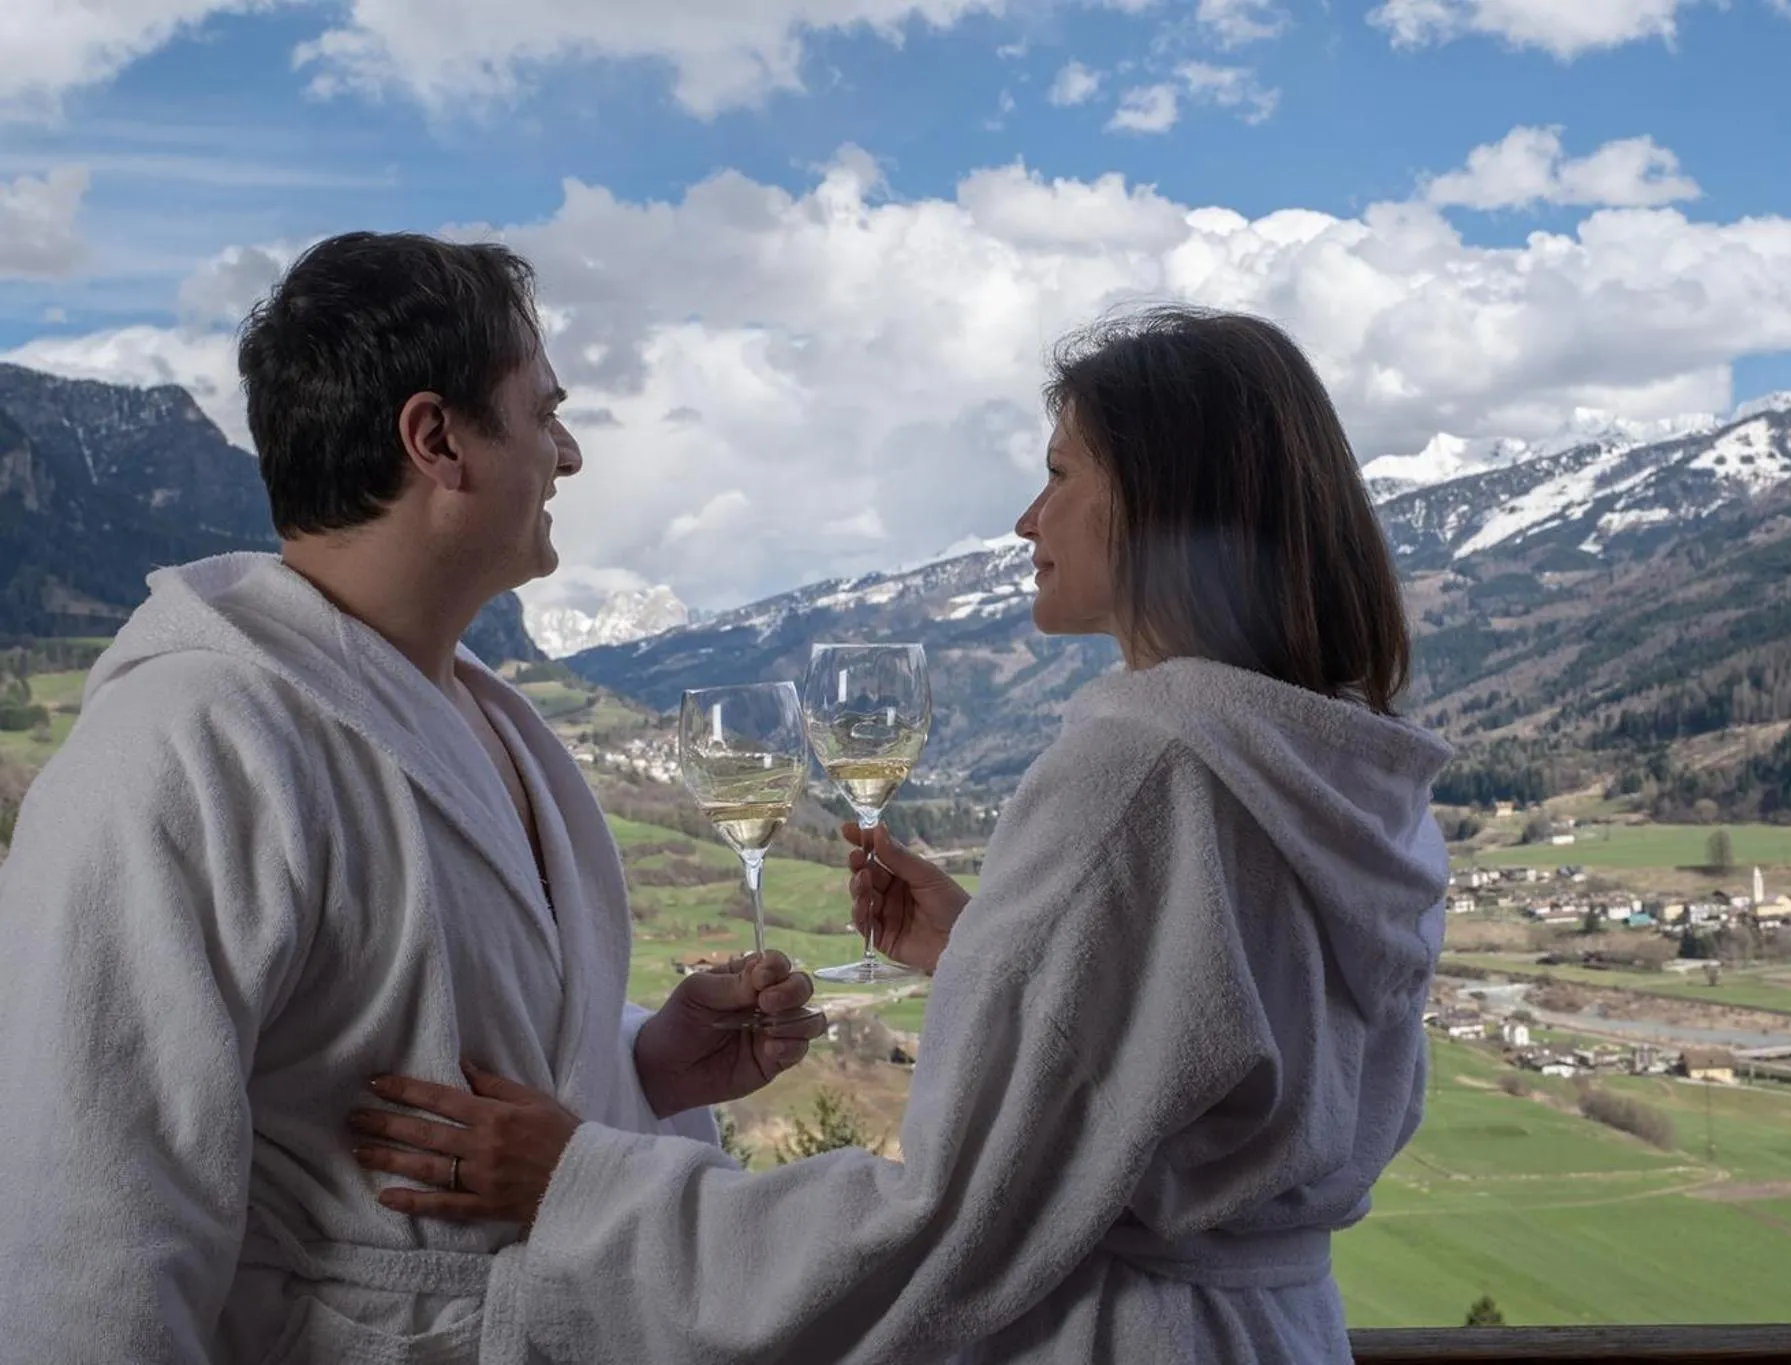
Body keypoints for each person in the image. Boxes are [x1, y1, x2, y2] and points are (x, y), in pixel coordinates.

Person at [353, 307, 1454, 1363]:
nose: (1028, 519)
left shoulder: (1145, 767)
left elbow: (946, 1220)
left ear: (1161, 500)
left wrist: (579, 1184)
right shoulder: (1331, 767)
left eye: (1060, 474)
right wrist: (994, 960)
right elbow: (1208, 1059)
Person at [0, 231, 821, 1364]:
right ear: (436, 440)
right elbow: (84, 1235)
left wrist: (641, 1065)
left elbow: (441, 1036)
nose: (570, 454)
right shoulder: (182, 745)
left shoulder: (487, 714)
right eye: (543, 413)